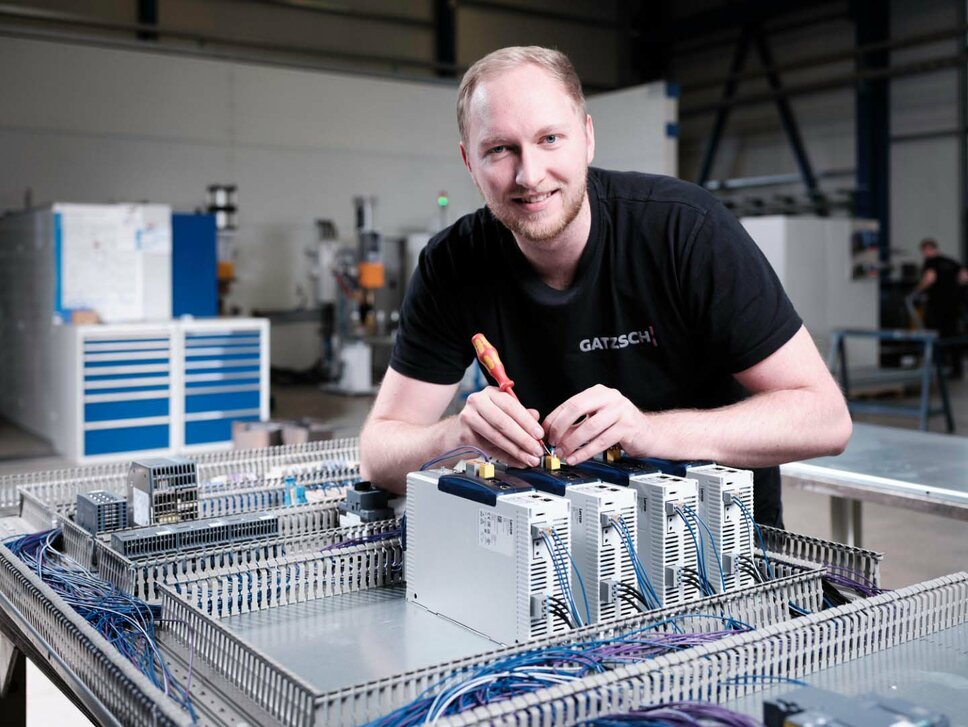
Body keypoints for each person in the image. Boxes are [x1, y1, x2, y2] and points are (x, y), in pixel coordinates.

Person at [359, 46, 851, 527]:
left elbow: (825, 418)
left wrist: (648, 431)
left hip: (723, 552)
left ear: (588, 138)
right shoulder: (453, 264)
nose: (530, 176)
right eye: (500, 149)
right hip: (554, 558)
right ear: (470, 162)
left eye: (550, 139)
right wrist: (455, 436)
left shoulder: (686, 231)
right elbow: (377, 457)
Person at [913, 237, 967, 379]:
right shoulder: (951, 261)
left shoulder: (931, 262)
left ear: (927, 249)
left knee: (935, 337)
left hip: (937, 307)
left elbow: (930, 279)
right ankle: (956, 370)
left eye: (924, 251)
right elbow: (964, 277)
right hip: (954, 307)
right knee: (952, 336)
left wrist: (917, 290)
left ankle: (940, 367)